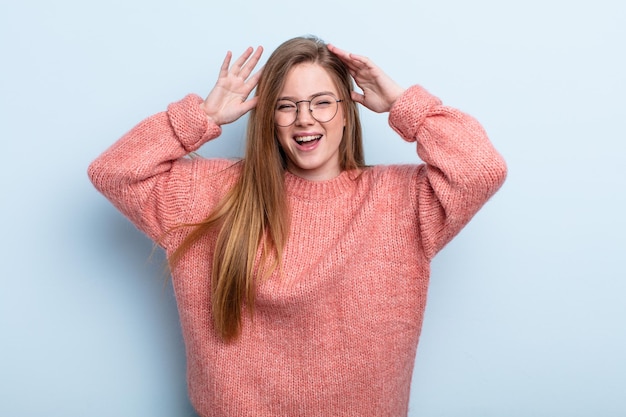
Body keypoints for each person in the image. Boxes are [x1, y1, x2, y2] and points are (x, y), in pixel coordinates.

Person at [88, 35, 507, 416]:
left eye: (322, 102)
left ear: (348, 112)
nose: (305, 118)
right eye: (286, 106)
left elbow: (481, 170)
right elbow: (114, 172)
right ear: (269, 118)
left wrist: (403, 105)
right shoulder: (210, 193)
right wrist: (201, 116)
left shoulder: (402, 201)